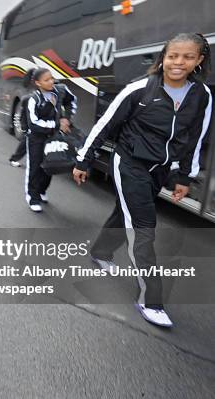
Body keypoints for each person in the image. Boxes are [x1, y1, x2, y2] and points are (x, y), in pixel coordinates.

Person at [73, 32, 212, 328]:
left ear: (199, 60)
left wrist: (185, 176)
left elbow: (195, 139)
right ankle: (152, 299)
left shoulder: (202, 96)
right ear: (163, 56)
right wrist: (83, 160)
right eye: (173, 55)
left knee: (125, 213)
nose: (178, 62)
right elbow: (105, 124)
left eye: (188, 57)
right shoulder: (139, 90)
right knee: (143, 227)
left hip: (162, 169)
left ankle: (99, 252)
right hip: (130, 164)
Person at [24, 68, 77, 212]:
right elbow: (33, 124)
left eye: (51, 78)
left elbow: (72, 102)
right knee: (35, 168)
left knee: (50, 165)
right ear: (38, 83)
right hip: (36, 138)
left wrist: (66, 118)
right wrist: (57, 125)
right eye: (46, 80)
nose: (51, 82)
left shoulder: (60, 91)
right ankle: (33, 197)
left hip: (53, 137)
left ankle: (42, 191)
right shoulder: (33, 99)